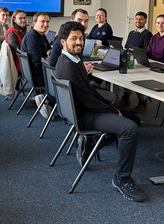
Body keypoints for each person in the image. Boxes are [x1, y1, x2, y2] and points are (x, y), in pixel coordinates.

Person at [55, 21, 145, 203]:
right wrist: (112, 110)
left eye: (81, 38)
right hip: (84, 115)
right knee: (129, 128)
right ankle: (122, 178)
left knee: (134, 119)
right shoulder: (69, 66)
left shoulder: (72, 59)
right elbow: (87, 99)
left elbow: (88, 91)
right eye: (74, 39)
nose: (79, 42)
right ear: (63, 42)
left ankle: (91, 142)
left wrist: (112, 108)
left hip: (84, 109)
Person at [120, 11, 153, 112]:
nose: (138, 21)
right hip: (128, 59)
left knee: (133, 78)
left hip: (138, 62)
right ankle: (126, 98)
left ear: (145, 21)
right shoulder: (131, 33)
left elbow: (146, 50)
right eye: (137, 19)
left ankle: (143, 103)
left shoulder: (147, 34)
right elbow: (126, 46)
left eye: (141, 19)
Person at [20, 11, 51, 88]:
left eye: (47, 22)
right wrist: (51, 59)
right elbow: (37, 61)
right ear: (34, 22)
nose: (45, 24)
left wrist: (50, 55)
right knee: (68, 75)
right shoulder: (33, 37)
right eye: (42, 21)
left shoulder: (40, 34)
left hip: (37, 72)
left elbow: (49, 49)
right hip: (39, 76)